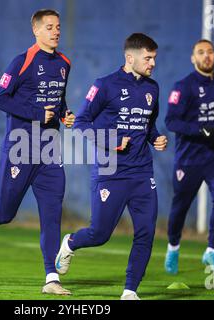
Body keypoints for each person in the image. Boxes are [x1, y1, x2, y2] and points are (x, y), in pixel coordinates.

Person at [0, 9, 75, 295]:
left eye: (58, 27)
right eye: (49, 27)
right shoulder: (23, 61)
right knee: (6, 212)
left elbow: (58, 99)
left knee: (52, 214)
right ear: (36, 31)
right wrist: (35, 114)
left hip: (49, 151)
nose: (56, 31)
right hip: (20, 147)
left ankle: (51, 278)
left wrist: (64, 113)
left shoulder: (65, 63)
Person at [54, 33, 167, 300]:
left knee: (146, 232)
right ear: (130, 58)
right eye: (148, 58)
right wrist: (113, 140)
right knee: (100, 233)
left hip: (142, 173)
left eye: (154, 58)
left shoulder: (153, 88)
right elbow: (81, 123)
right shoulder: (105, 85)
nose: (152, 63)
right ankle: (70, 243)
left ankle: (129, 291)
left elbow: (148, 124)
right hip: (110, 172)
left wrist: (156, 138)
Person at [164, 39, 214, 274]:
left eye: (210, 52)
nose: (207, 56)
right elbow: (170, 121)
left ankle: (211, 251)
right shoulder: (183, 86)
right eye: (201, 53)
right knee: (181, 206)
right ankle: (173, 247)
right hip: (189, 158)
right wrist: (199, 129)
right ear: (193, 58)